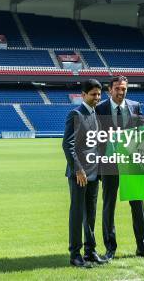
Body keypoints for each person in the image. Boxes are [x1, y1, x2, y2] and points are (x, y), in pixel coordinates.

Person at [95, 75, 144, 261]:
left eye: (124, 89)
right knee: (109, 206)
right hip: (109, 164)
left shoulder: (135, 106)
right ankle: (110, 249)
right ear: (109, 90)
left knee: (138, 205)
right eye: (117, 89)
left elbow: (142, 132)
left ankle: (142, 247)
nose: (121, 92)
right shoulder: (99, 109)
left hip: (132, 164)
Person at [61, 79, 108, 267]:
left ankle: (90, 251)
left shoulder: (96, 114)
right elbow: (68, 145)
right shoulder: (76, 113)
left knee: (91, 214)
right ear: (83, 95)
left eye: (98, 94)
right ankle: (75, 254)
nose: (97, 98)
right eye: (93, 94)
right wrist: (78, 169)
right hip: (79, 174)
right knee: (78, 214)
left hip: (94, 173)